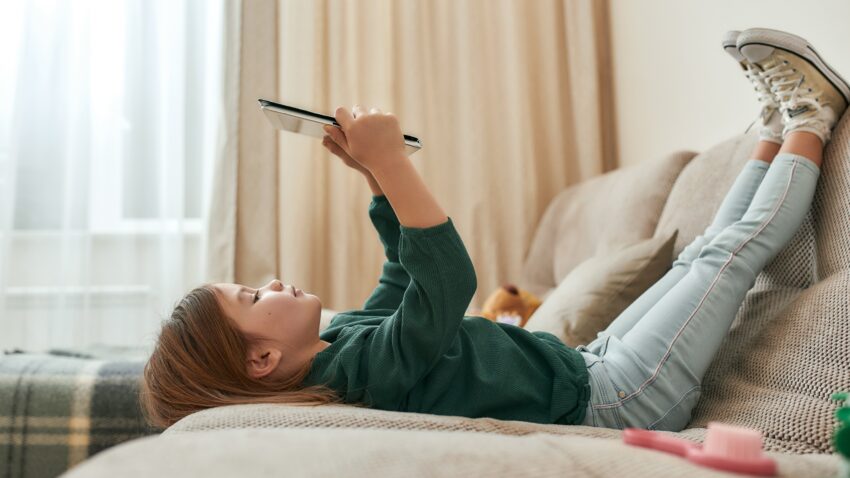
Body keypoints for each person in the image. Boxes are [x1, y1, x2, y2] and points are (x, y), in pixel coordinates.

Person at [140, 28, 849, 432]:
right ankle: (813, 115)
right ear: (262, 361)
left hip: (587, 369)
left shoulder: (343, 341)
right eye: (252, 297)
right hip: (618, 401)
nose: (269, 283)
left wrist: (375, 180)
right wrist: (391, 161)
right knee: (722, 257)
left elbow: (401, 278)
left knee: (700, 255)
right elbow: (446, 283)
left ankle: (773, 129)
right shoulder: (360, 376)